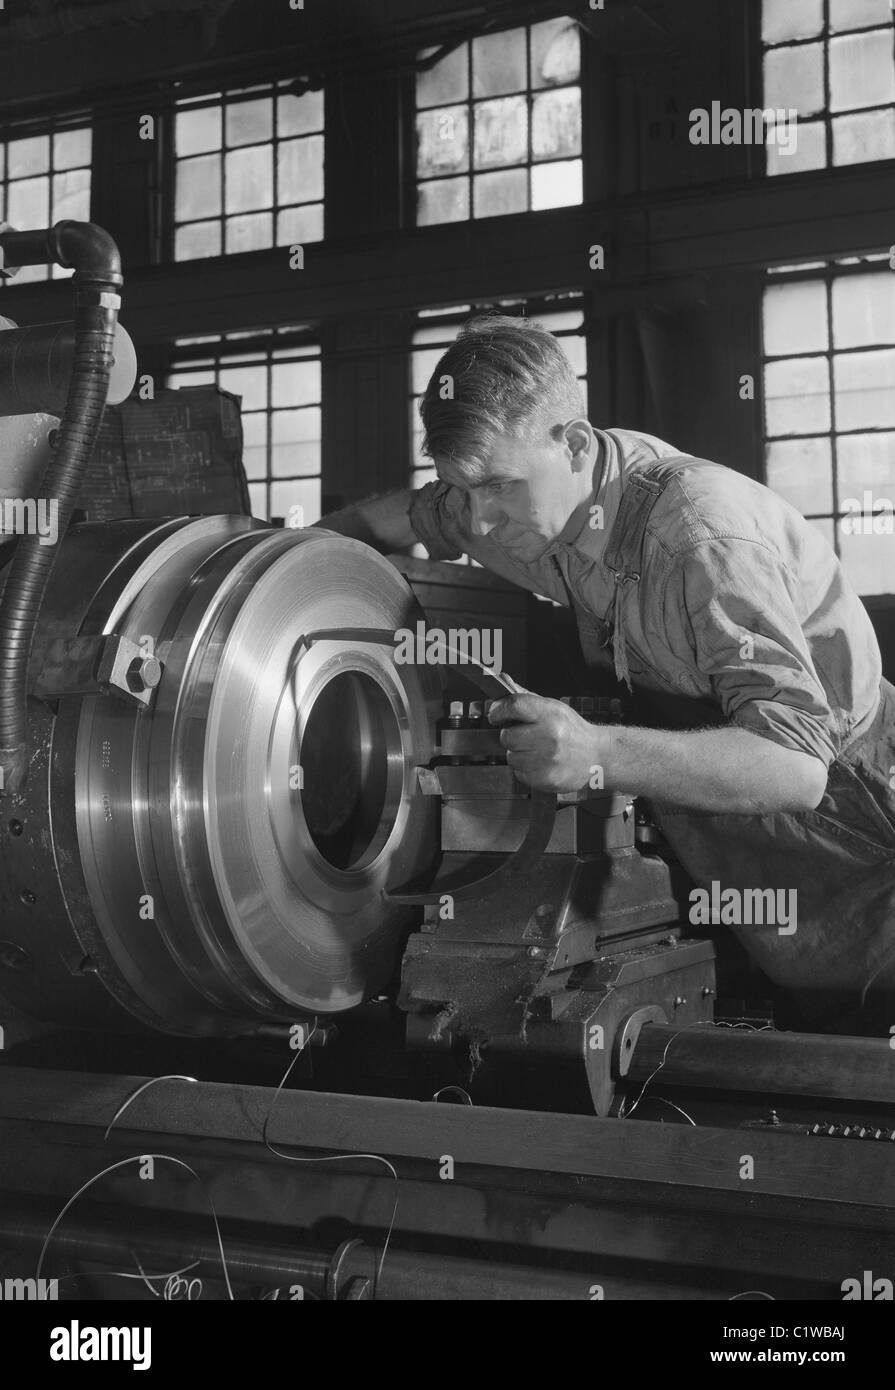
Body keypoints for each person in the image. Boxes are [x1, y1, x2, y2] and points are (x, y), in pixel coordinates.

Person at [319, 314, 895, 1028]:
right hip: (729, 794)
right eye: (462, 489)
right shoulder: (526, 497)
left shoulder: (701, 540)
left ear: (576, 444)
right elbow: (404, 515)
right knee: (793, 989)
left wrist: (595, 752)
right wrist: (290, 561)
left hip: (854, 805)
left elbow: (796, 769)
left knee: (861, 1029)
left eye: (497, 487)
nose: (481, 520)